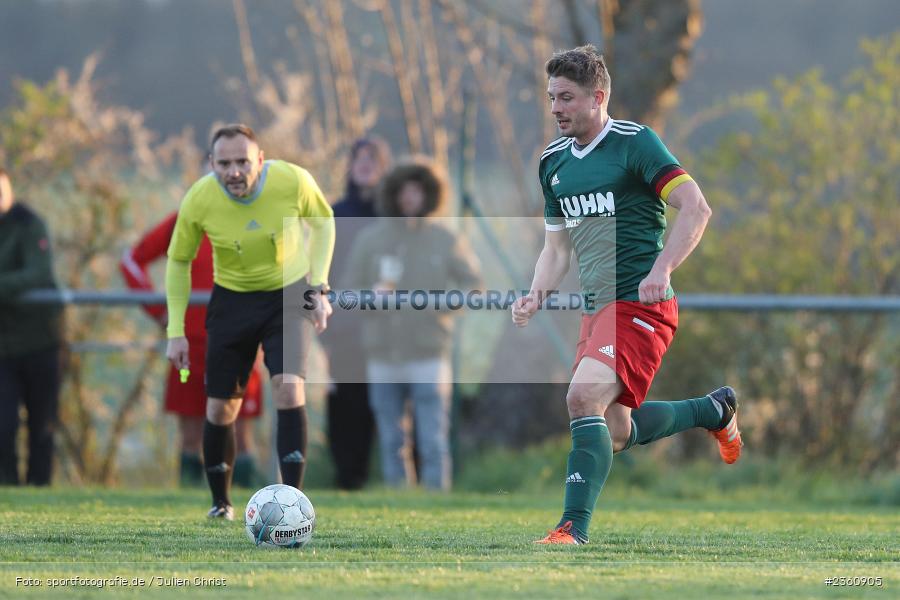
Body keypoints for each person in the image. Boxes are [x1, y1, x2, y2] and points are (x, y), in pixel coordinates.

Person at [512, 45, 742, 544]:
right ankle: (713, 410)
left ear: (598, 97)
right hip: (597, 310)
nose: (556, 108)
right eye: (552, 97)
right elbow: (556, 248)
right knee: (615, 431)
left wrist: (662, 268)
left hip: (641, 304)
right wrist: (535, 295)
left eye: (567, 98)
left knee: (581, 396)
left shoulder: (635, 143)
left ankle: (572, 529)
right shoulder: (552, 162)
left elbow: (695, 207)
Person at [165, 124, 334, 520]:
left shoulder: (292, 181)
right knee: (222, 408)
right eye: (224, 163)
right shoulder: (200, 197)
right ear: (212, 164)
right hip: (232, 302)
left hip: (289, 295)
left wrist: (320, 286)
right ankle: (220, 503)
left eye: (243, 161)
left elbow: (323, 220)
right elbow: (178, 260)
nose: (234, 171)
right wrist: (175, 333)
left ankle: (293, 504)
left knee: (289, 389)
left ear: (260, 160)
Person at [344, 157, 481, 491]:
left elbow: (474, 287)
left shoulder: (445, 239)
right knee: (391, 436)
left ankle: (437, 498)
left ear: (430, 195)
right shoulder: (371, 239)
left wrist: (446, 304)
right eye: (403, 191)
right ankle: (398, 498)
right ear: (392, 194)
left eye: (417, 191)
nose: (409, 198)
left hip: (430, 351)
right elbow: (347, 291)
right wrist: (368, 297)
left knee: (433, 436)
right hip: (382, 352)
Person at [121, 212, 265, 488]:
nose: (228, 173)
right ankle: (190, 503)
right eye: (218, 166)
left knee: (239, 432)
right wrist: (159, 311)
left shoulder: (254, 218)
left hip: (239, 344)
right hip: (191, 346)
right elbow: (131, 262)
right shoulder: (182, 221)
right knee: (191, 436)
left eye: (236, 165)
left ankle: (250, 503)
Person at [322, 137, 392, 490]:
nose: (365, 164)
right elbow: (324, 272)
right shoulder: (334, 215)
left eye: (372, 158)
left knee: (383, 403)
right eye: (358, 158)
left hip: (387, 327)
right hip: (345, 327)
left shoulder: (393, 217)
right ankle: (347, 477)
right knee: (344, 402)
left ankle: (391, 479)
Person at [0, 167, 64, 486]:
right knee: (3, 425)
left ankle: (40, 489)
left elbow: (37, 274)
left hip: (41, 343)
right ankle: (8, 488)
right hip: (4, 348)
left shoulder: (29, 223)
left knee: (43, 426)